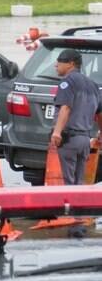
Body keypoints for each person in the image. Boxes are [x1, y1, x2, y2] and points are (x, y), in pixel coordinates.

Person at [50, 49, 102, 237]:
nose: (56, 65)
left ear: (71, 64)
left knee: (69, 184)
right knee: (79, 183)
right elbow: (100, 113)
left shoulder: (68, 82)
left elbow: (65, 108)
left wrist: (57, 132)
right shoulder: (93, 85)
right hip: (84, 140)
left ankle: (75, 226)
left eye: (59, 62)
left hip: (70, 139)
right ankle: (79, 221)